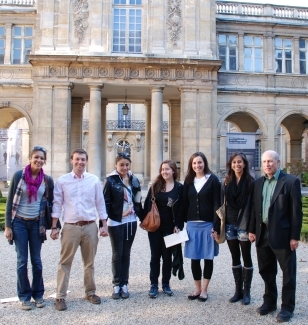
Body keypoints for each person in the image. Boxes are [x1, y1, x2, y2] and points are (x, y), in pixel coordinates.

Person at [50, 148, 108, 311]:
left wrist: (104, 224)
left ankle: (90, 292)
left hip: (90, 226)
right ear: (71, 160)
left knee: (89, 263)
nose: (80, 162)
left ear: (87, 161)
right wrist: (54, 227)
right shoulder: (62, 181)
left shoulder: (94, 180)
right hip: (70, 227)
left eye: (83, 159)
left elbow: (100, 203)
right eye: (77, 159)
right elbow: (57, 205)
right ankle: (60, 296)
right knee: (64, 262)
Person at [249, 150, 302, 323]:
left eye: (271, 161)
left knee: (288, 273)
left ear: (278, 162)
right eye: (264, 161)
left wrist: (294, 236)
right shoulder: (257, 184)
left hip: (283, 236)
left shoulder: (290, 182)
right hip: (262, 233)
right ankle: (269, 302)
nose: (267, 164)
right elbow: (254, 210)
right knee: (266, 271)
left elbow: (296, 212)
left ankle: (287, 308)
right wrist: (252, 230)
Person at [4, 146, 53, 310]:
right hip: (19, 223)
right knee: (21, 261)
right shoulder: (19, 176)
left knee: (37, 261)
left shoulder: (47, 180)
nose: (39, 160)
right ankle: (24, 296)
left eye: (42, 158)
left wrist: (53, 225)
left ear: (44, 161)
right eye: (36, 157)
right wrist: (7, 226)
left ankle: (38, 294)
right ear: (30, 158)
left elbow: (50, 204)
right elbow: (10, 201)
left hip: (36, 224)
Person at [180, 152, 220, 302]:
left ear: (205, 163)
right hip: (192, 225)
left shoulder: (213, 180)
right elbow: (184, 204)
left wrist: (216, 226)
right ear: (191, 165)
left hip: (208, 225)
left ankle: (205, 290)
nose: (197, 165)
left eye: (200, 162)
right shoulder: (189, 181)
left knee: (208, 258)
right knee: (194, 258)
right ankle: (197, 288)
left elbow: (218, 204)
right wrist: (179, 224)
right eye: (194, 163)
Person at [103, 149, 142, 299]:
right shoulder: (110, 180)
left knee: (126, 253)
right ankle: (116, 284)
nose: (125, 168)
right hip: (116, 222)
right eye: (121, 165)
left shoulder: (134, 179)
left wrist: (141, 216)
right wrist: (106, 222)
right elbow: (106, 203)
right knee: (117, 254)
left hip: (131, 221)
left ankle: (124, 283)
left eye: (127, 165)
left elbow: (138, 199)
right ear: (116, 165)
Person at [142, 160, 183, 298]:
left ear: (173, 171)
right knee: (155, 257)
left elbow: (181, 210)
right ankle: (153, 284)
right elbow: (147, 206)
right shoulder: (155, 186)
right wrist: (144, 220)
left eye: (167, 169)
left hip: (170, 228)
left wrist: (178, 225)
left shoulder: (179, 188)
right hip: (155, 228)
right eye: (162, 169)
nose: (164, 172)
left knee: (167, 257)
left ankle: (166, 284)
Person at [219, 152, 254, 305]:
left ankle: (247, 292)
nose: (237, 165)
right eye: (234, 162)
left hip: (244, 224)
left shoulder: (251, 182)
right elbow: (222, 204)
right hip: (229, 225)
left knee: (246, 257)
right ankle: (238, 290)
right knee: (234, 257)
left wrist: (252, 228)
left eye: (239, 162)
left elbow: (254, 207)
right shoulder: (226, 181)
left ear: (244, 164)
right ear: (231, 165)